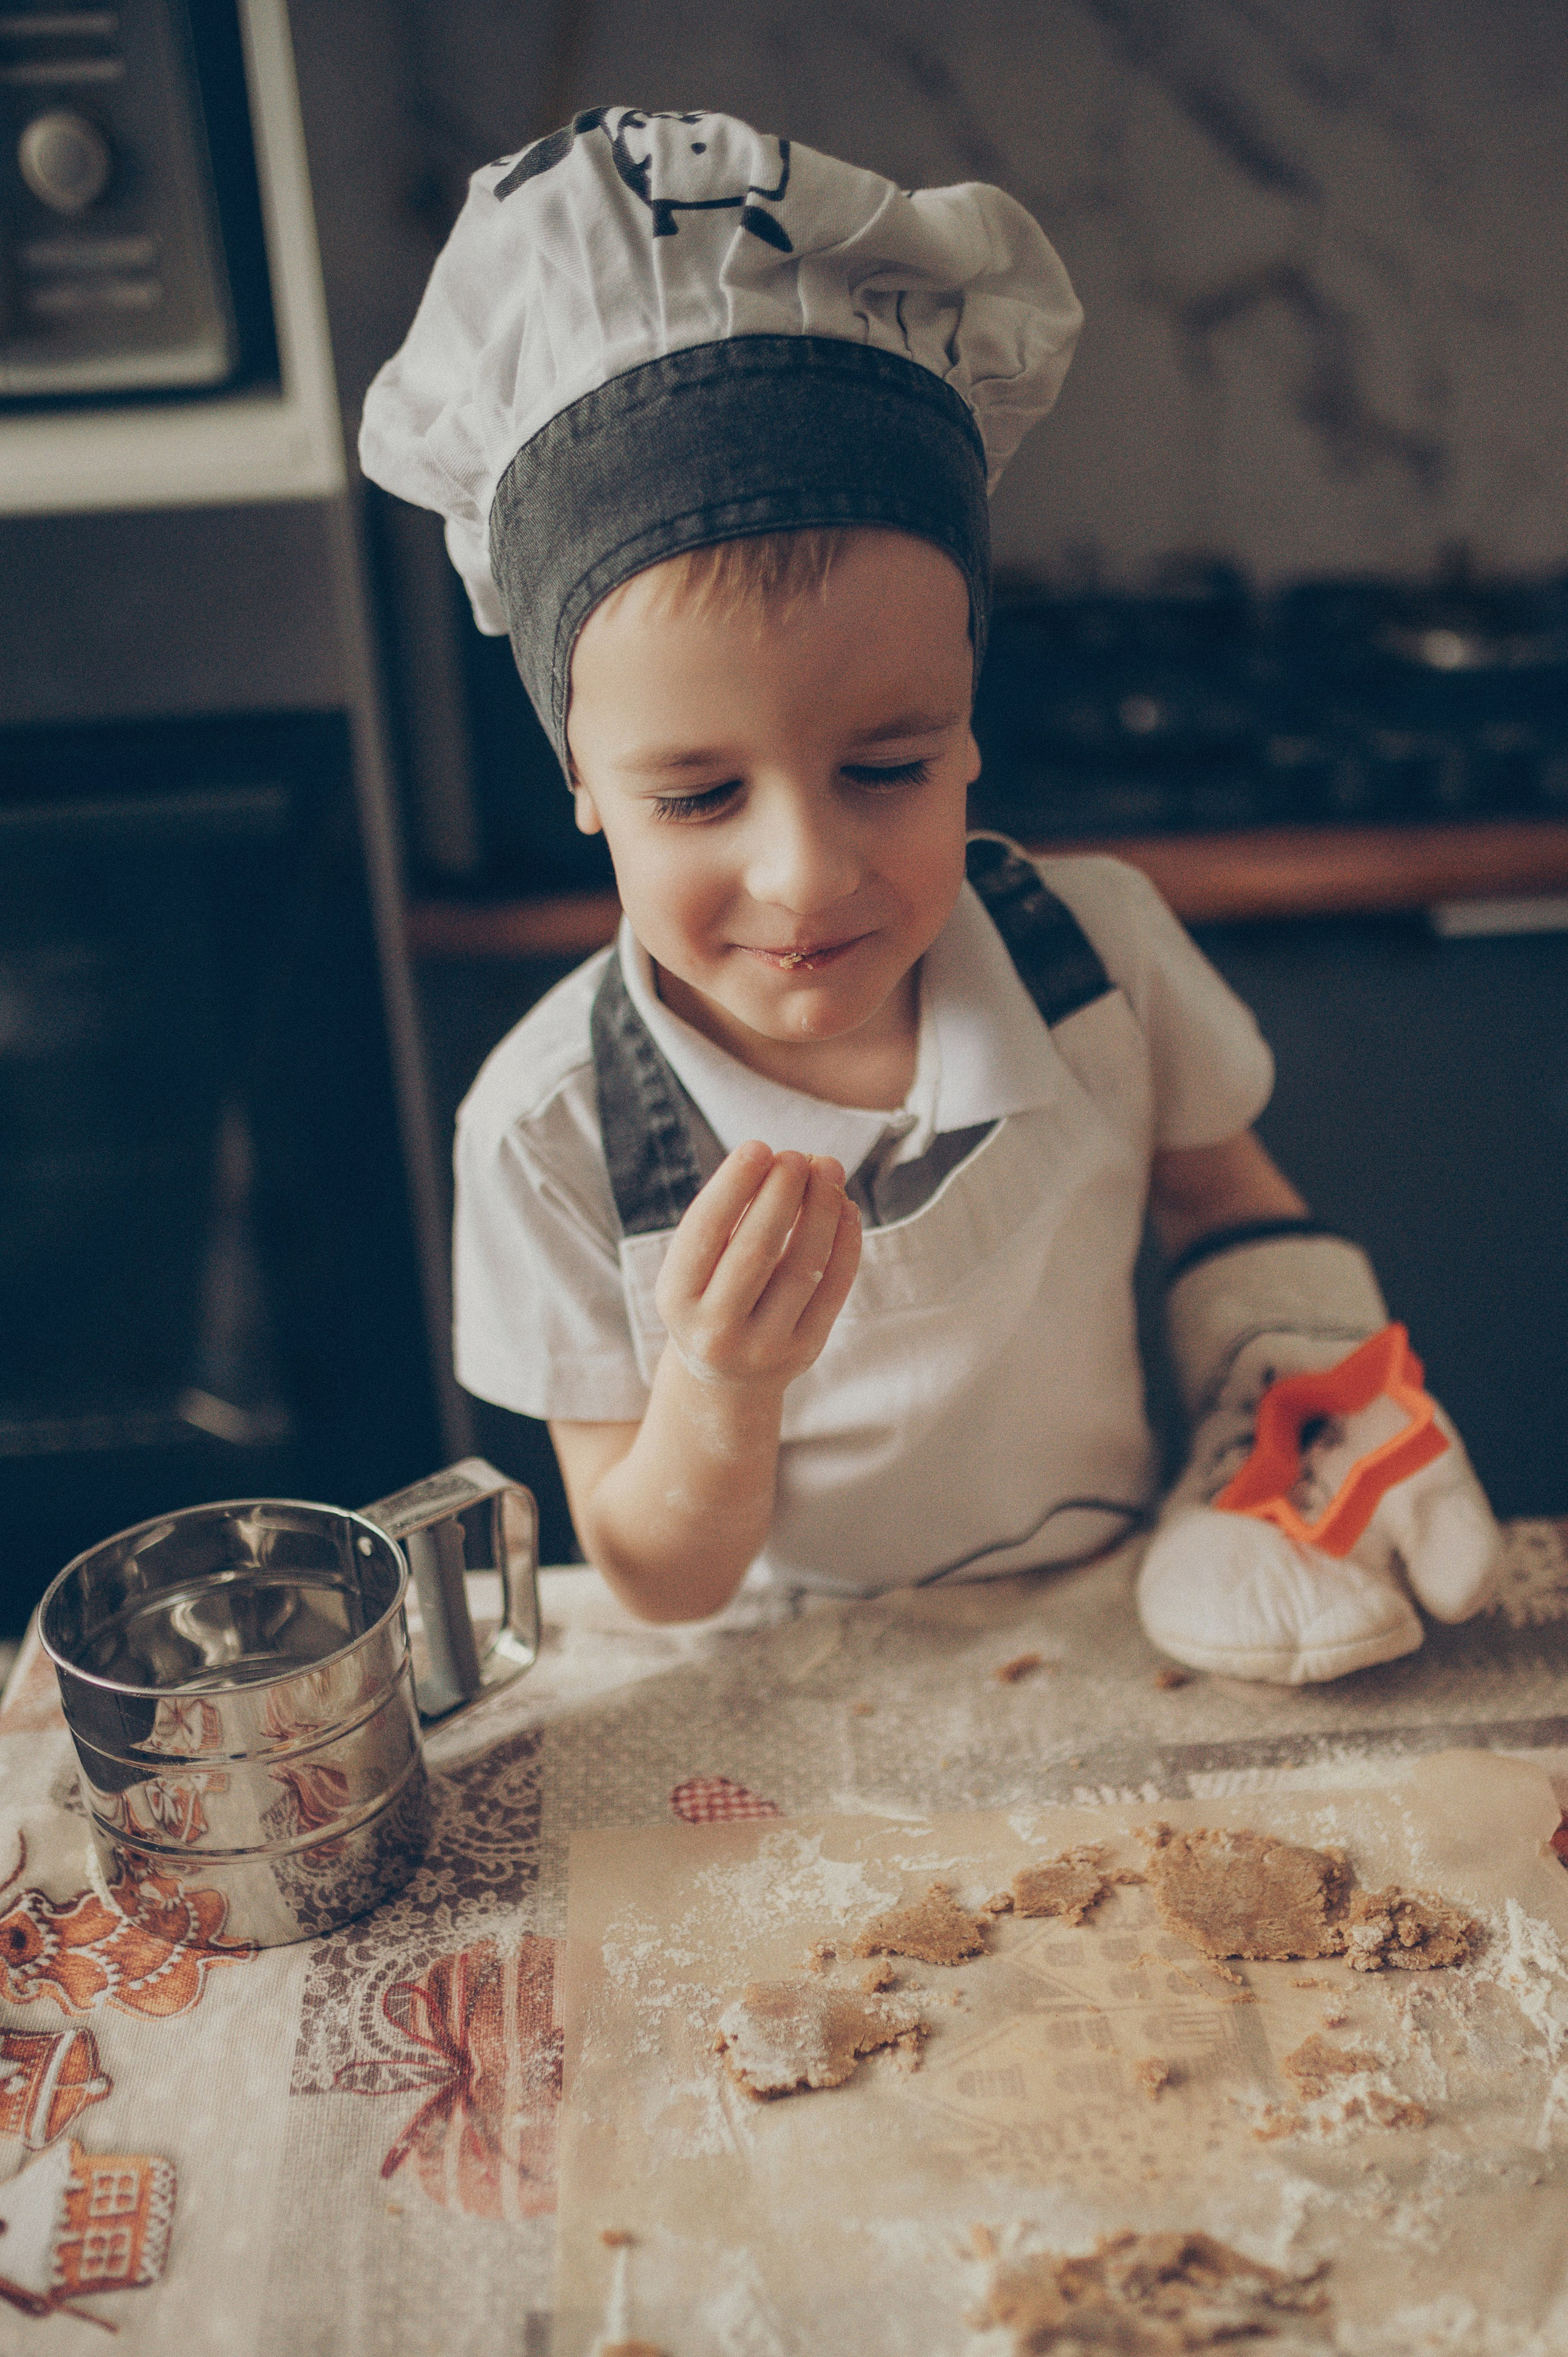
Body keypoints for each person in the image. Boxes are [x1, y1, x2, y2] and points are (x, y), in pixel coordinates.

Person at [361, 106, 1501, 1681]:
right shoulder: (548, 1133)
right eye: (696, 796)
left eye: (887, 766)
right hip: (789, 1698)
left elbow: (1232, 1215)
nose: (805, 873)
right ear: (580, 781)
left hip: (1119, 1632)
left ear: (968, 726)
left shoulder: (1093, 955)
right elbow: (652, 1575)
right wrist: (719, 1385)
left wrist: (1307, 1386)